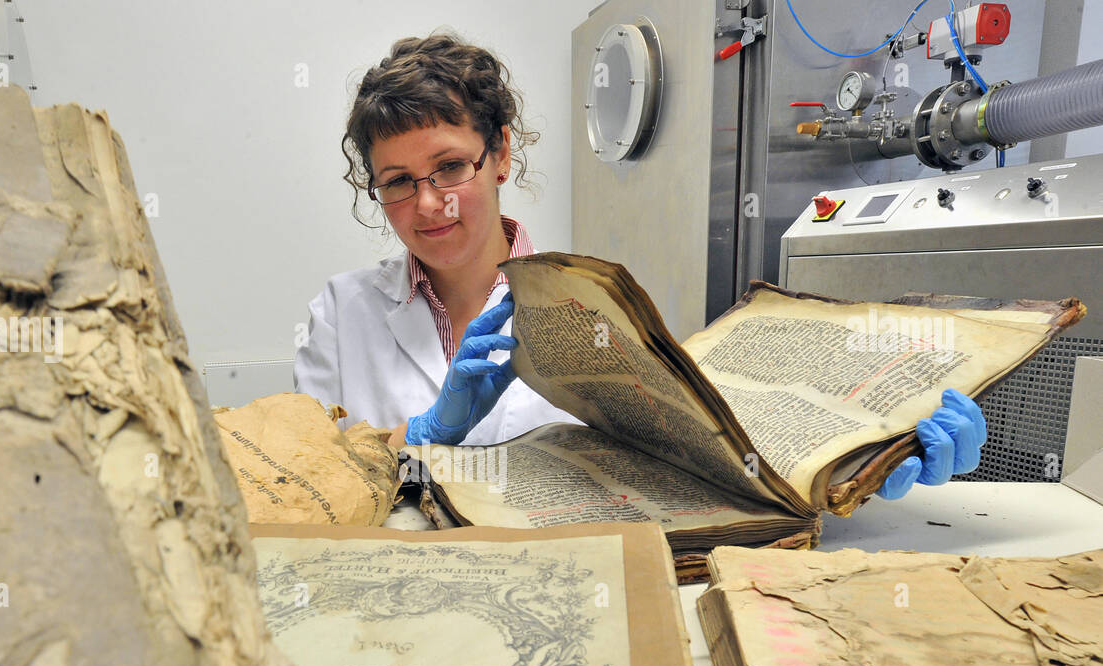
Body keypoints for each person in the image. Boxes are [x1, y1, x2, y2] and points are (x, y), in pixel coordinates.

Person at [294, 33, 985, 499]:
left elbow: (702, 468)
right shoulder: (339, 314)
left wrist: (866, 460)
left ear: (500, 152)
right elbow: (302, 487)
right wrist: (423, 435)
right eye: (397, 181)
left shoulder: (603, 310)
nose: (429, 203)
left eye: (450, 166)